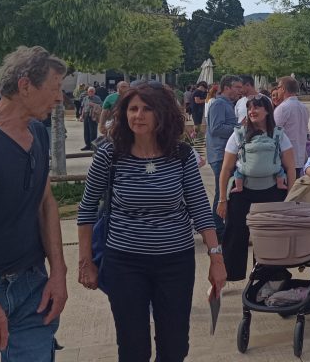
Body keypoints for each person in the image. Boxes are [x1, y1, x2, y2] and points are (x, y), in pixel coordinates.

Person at [77, 82, 225, 361]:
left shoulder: (180, 155)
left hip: (175, 263)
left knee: (175, 346)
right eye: (132, 109)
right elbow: (86, 211)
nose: (138, 115)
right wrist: (86, 262)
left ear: (162, 113)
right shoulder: (110, 155)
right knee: (133, 348)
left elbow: (200, 209)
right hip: (125, 262)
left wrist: (216, 258)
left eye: (147, 109)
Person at [0, 47, 68, 360]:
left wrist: (58, 272)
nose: (59, 98)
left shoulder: (39, 133)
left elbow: (45, 204)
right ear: (25, 85)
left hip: (32, 287)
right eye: (54, 88)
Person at [216, 94, 297, 282]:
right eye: (249, 108)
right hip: (242, 192)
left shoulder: (279, 134)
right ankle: (230, 274)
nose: (252, 111)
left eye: (256, 108)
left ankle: (266, 276)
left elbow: (290, 167)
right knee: (235, 233)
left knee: (270, 236)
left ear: (267, 110)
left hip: (272, 191)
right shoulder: (238, 134)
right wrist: (222, 199)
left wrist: (291, 197)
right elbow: (226, 169)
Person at [206, 75, 243, 238]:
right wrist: (239, 127)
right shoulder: (219, 104)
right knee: (222, 191)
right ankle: (217, 229)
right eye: (237, 87)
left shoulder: (226, 104)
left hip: (224, 153)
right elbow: (216, 128)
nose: (239, 91)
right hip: (220, 154)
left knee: (225, 190)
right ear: (227, 87)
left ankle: (221, 227)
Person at [78, 86, 103, 151]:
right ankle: (87, 145)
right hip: (86, 115)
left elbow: (101, 106)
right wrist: (81, 116)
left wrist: (93, 104)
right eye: (90, 91)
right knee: (86, 131)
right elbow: (83, 107)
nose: (91, 92)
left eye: (92, 91)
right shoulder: (85, 98)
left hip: (93, 116)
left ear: (94, 92)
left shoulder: (97, 98)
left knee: (93, 131)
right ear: (88, 92)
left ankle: (93, 145)